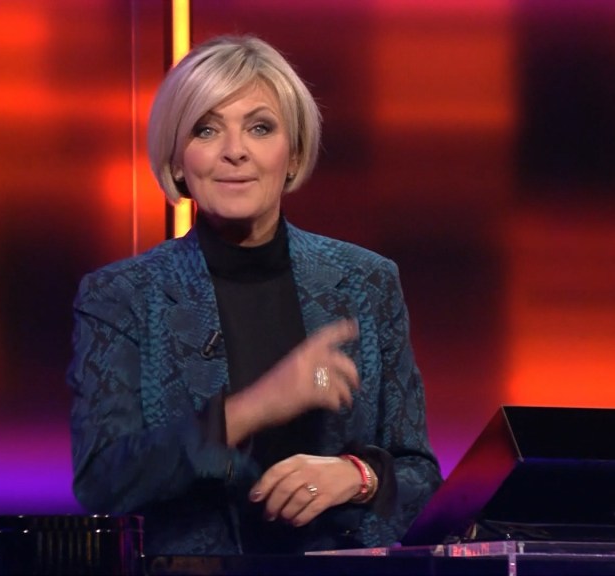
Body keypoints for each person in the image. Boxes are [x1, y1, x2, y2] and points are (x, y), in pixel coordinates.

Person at [67, 35, 442, 555]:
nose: (235, 150)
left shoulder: (367, 282)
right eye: (206, 129)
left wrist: (357, 476)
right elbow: (101, 482)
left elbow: (420, 475)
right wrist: (253, 407)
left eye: (260, 127)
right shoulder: (122, 296)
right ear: (177, 161)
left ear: (293, 154)